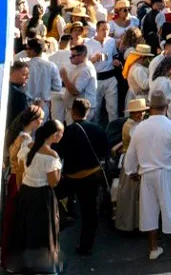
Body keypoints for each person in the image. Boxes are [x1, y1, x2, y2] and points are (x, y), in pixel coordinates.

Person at [123, 90, 171, 261]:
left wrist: (131, 172)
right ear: (165, 107)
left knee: (149, 211)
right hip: (166, 172)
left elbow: (130, 156)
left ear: (150, 108)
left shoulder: (139, 128)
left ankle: (153, 248)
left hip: (146, 174)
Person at [6, 119, 64, 275]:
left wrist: (21, 191)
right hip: (42, 197)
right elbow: (53, 182)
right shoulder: (52, 155)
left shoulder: (27, 147)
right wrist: (59, 169)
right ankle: (42, 267)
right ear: (55, 135)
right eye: (61, 133)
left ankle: (22, 266)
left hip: (25, 192)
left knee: (24, 229)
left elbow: (19, 172)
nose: (62, 136)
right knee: (42, 232)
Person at [53, 98, 109, 256]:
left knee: (59, 203)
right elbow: (105, 151)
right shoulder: (98, 129)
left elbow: (58, 154)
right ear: (88, 112)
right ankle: (86, 246)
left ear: (72, 112)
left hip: (71, 177)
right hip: (92, 176)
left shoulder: (67, 132)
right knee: (90, 212)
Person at [2, 105, 44, 269]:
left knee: (11, 218)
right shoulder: (26, 140)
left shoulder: (16, 135)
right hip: (20, 180)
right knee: (19, 221)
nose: (41, 122)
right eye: (40, 119)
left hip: (12, 178)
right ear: (34, 121)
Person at [115, 97, 148, 232]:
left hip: (138, 160)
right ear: (132, 113)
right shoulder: (130, 126)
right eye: (137, 112)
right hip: (133, 162)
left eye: (142, 112)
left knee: (137, 194)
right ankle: (130, 224)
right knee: (131, 194)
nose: (140, 114)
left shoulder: (137, 124)